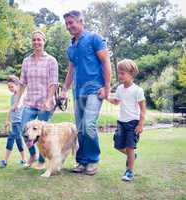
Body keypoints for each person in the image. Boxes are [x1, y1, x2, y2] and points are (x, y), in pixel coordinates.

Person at [61, 10, 112, 175]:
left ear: (81, 21)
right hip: (78, 92)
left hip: (95, 89)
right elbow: (71, 71)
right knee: (81, 128)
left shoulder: (94, 38)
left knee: (89, 125)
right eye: (67, 23)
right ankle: (82, 162)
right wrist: (64, 89)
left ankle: (93, 160)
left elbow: (105, 62)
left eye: (71, 22)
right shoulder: (71, 46)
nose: (69, 26)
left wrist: (107, 87)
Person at [13, 30, 58, 170]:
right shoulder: (26, 61)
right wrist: (16, 102)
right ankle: (32, 154)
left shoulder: (51, 61)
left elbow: (54, 83)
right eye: (34, 40)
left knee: (43, 133)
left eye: (39, 39)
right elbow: (22, 83)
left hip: (45, 104)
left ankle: (41, 159)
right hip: (30, 102)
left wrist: (49, 99)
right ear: (32, 42)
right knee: (24, 130)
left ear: (44, 41)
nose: (36, 42)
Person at [107, 59, 146, 181]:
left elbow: (143, 110)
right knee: (118, 146)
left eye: (123, 73)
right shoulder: (119, 88)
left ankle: (129, 172)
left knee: (130, 147)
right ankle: (132, 157)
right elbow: (116, 102)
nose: (120, 75)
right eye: (119, 73)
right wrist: (105, 97)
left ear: (131, 73)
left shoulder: (138, 90)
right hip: (121, 123)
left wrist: (140, 125)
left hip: (132, 123)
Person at [0, 75, 26, 168]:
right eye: (8, 87)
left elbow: (16, 107)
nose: (10, 88)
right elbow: (11, 110)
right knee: (18, 141)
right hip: (14, 123)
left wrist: (11, 109)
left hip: (19, 123)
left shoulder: (21, 96)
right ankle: (24, 159)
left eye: (12, 86)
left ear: (18, 85)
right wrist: (8, 121)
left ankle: (5, 161)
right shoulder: (12, 97)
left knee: (11, 139)